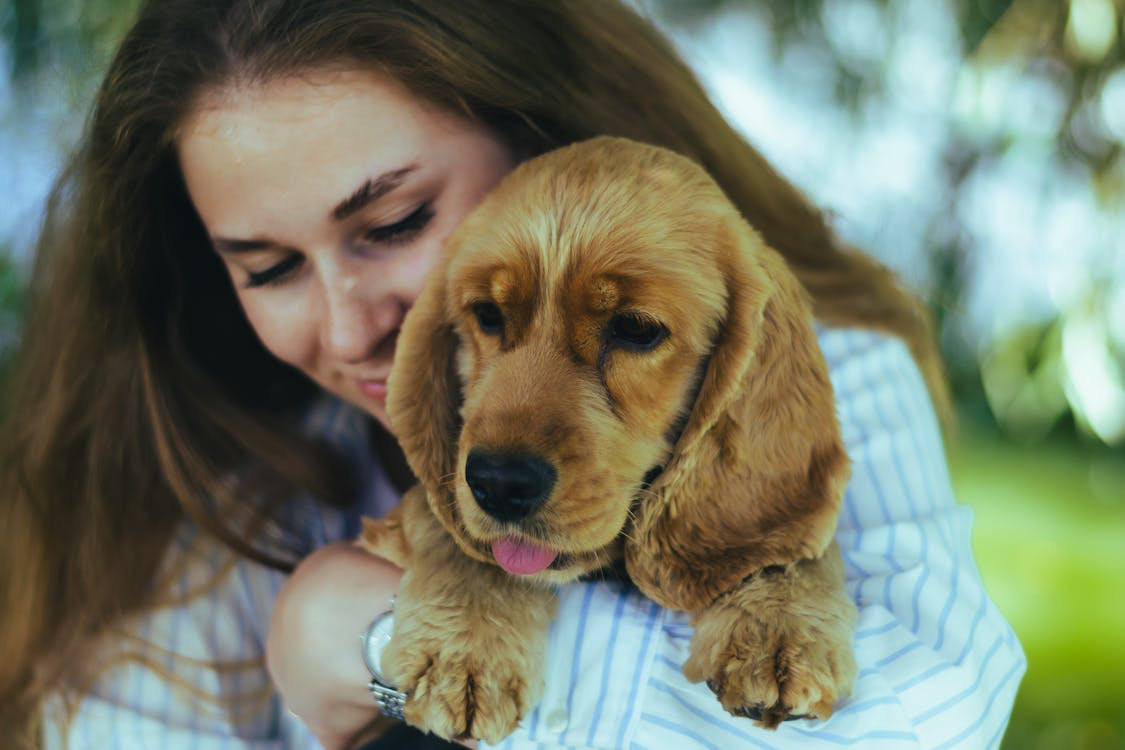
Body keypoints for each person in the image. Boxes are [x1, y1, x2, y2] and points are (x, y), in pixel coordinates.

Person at [0, 1, 1026, 748]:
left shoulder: (830, 371)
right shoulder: (233, 477)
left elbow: (919, 717)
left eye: (395, 223)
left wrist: (359, 636)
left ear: (541, 141)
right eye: (267, 268)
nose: (354, 329)